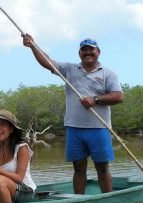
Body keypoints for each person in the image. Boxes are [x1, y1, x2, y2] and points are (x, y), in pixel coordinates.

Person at [23, 35, 123, 194]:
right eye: (84, 50)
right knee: (78, 168)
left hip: (99, 127)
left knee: (102, 168)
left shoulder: (108, 73)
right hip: (74, 128)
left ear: (98, 52)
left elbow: (118, 96)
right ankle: (79, 201)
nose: (88, 52)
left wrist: (95, 99)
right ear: (80, 53)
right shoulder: (69, 69)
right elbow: (47, 62)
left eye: (91, 49)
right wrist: (33, 46)